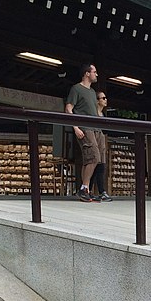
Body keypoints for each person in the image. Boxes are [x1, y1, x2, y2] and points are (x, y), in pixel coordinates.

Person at [65, 63, 102, 202]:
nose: (96, 74)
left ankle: (85, 189)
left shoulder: (92, 92)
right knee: (94, 157)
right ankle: (84, 188)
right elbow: (69, 108)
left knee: (89, 160)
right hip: (84, 128)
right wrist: (75, 127)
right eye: (94, 72)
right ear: (87, 73)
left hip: (95, 128)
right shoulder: (76, 89)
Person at [89, 89, 113, 202]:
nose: (105, 100)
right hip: (95, 138)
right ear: (97, 101)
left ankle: (96, 190)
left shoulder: (102, 114)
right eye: (103, 98)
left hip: (101, 140)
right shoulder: (94, 113)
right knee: (96, 165)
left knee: (101, 165)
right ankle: (100, 191)